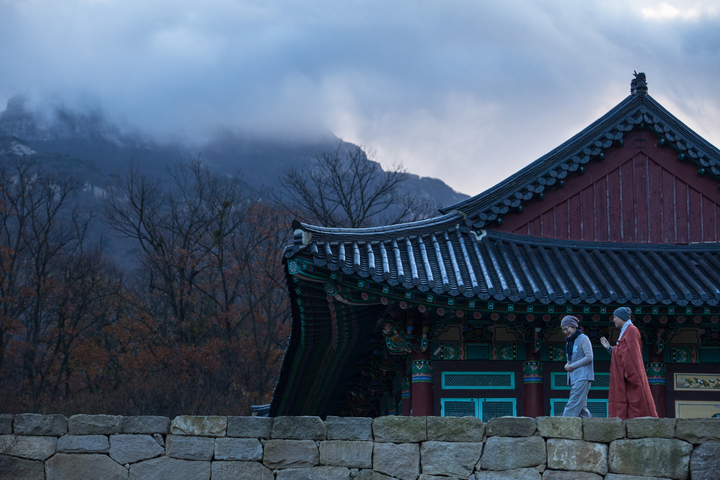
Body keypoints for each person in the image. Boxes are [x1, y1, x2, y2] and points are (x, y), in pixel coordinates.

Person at [600, 307, 658, 419]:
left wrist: (613, 350)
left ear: (622, 317)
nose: (614, 320)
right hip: (627, 371)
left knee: (637, 400)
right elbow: (623, 352)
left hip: (632, 372)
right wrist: (610, 349)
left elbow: (631, 356)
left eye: (615, 317)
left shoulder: (631, 330)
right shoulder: (627, 331)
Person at [561, 315, 594, 417]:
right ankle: (589, 428)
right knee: (581, 407)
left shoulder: (583, 338)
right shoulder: (569, 342)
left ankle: (563, 428)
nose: (566, 332)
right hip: (574, 377)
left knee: (573, 404)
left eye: (567, 329)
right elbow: (570, 360)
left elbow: (589, 357)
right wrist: (567, 365)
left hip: (583, 376)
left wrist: (573, 366)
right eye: (563, 330)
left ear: (574, 326)